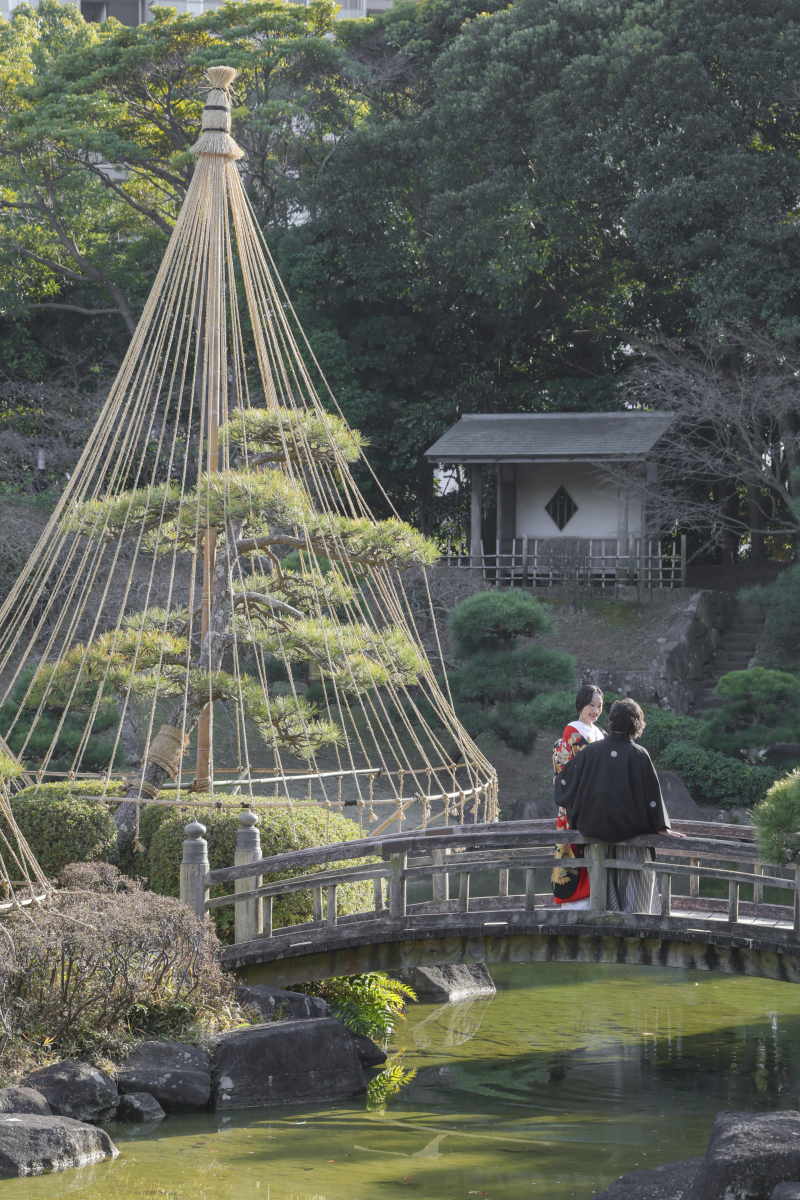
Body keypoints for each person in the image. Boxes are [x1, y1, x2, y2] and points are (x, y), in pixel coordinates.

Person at [556, 697, 684, 913]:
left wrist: (582, 809)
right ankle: (636, 929)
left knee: (603, 893)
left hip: (593, 832)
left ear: (612, 721)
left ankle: (602, 926)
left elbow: (564, 783)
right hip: (630, 833)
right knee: (635, 893)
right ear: (637, 724)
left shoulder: (590, 751)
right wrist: (661, 826)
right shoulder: (639, 754)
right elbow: (651, 798)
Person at [551, 684, 606, 910]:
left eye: (599, 706)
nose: (595, 710)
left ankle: (594, 897)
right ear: (580, 705)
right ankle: (574, 902)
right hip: (576, 803)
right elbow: (569, 772)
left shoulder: (600, 733)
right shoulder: (572, 732)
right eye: (591, 705)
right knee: (574, 848)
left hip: (594, 802)